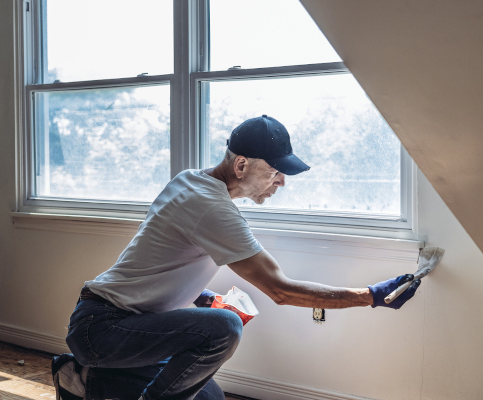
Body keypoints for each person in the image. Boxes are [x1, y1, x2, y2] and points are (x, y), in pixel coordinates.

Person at [52, 115, 421, 400]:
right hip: (105, 329)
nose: (281, 182)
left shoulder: (190, 181)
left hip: (121, 322)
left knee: (209, 394)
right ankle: (95, 374)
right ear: (241, 165)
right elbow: (281, 290)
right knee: (225, 328)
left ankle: (84, 380)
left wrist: (201, 297)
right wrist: (369, 296)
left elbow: (157, 261)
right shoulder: (211, 207)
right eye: (275, 171)